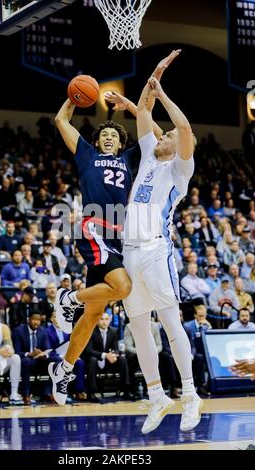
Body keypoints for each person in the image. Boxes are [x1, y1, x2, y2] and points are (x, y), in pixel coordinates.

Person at [48, 51, 179, 406]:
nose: (107, 138)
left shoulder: (129, 157)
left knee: (92, 317)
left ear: (120, 143)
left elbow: (155, 133)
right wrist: (75, 96)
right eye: (103, 134)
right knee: (122, 288)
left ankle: (63, 368)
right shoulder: (86, 153)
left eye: (112, 136)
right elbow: (61, 120)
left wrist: (131, 106)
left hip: (120, 236)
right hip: (93, 223)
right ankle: (67, 298)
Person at [109, 51, 202, 434]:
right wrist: (155, 76)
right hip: (130, 251)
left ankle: (191, 394)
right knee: (139, 325)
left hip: (155, 249)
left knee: (168, 320)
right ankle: (158, 396)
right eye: (159, 136)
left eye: (166, 137)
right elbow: (143, 111)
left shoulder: (181, 169)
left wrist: (162, 93)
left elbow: (181, 128)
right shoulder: (148, 155)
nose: (161, 136)